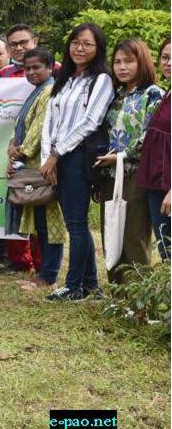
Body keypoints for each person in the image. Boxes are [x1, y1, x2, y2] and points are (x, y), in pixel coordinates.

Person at [41, 22, 114, 301]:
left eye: (87, 44)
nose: (79, 48)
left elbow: (90, 122)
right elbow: (51, 118)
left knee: (76, 224)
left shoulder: (102, 80)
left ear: (98, 49)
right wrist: (49, 153)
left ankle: (73, 286)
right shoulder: (67, 79)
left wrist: (57, 154)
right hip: (57, 158)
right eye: (75, 42)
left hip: (77, 158)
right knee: (75, 221)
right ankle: (91, 286)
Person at [93, 39, 164, 281]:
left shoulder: (153, 93)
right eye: (118, 62)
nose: (122, 67)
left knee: (133, 236)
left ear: (141, 62)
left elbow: (150, 136)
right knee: (110, 233)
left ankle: (138, 299)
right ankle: (118, 296)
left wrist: (122, 156)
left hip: (138, 173)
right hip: (109, 174)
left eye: (129, 61)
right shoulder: (116, 96)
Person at [4, 48, 65, 291]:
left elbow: (40, 129)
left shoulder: (50, 91)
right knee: (39, 221)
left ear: (50, 68)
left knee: (50, 223)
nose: (31, 72)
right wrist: (12, 149)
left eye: (36, 67)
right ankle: (43, 272)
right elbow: (19, 125)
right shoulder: (36, 92)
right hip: (31, 167)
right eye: (27, 68)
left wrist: (19, 152)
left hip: (45, 167)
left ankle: (48, 276)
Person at [136, 38, 171, 259]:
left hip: (169, 187)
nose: (168, 63)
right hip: (156, 181)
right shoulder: (167, 93)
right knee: (165, 247)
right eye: (166, 57)